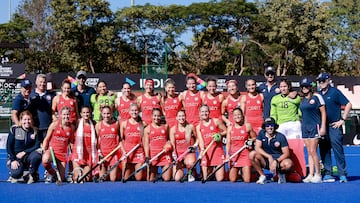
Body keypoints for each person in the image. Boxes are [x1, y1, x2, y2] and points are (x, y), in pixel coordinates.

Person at [316, 72, 352, 183]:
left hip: (334, 125)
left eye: (323, 80)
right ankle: (328, 173)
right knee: (324, 150)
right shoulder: (318, 94)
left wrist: (343, 120)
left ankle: (342, 174)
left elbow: (348, 104)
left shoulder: (335, 92)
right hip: (322, 126)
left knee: (338, 150)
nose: (321, 83)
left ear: (328, 80)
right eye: (319, 81)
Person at [270, 78, 306, 177]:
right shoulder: (275, 99)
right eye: (281, 87)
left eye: (285, 86)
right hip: (280, 126)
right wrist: (274, 125)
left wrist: (297, 93)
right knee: (280, 150)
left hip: (294, 125)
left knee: (296, 150)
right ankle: (279, 173)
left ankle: (300, 172)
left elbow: (301, 107)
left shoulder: (295, 97)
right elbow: (273, 114)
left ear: (289, 87)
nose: (283, 88)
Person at [249, 117, 293, 184]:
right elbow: (257, 148)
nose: (270, 127)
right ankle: (262, 175)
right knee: (252, 154)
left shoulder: (281, 136)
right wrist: (269, 157)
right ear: (265, 127)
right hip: (265, 160)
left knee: (288, 164)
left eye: (271, 125)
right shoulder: (261, 134)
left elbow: (286, 153)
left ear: (275, 126)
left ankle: (281, 174)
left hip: (278, 161)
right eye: (267, 126)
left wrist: (276, 161)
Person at [299, 77, 326, 183]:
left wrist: (323, 126)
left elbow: (323, 112)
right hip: (305, 127)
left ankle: (318, 174)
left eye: (306, 86)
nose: (304, 88)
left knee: (313, 151)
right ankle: (310, 174)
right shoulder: (302, 99)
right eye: (302, 86)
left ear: (310, 87)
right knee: (309, 151)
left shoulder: (317, 97)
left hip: (314, 126)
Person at [6, 111, 42, 184]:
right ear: (21, 120)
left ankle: (32, 173)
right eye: (25, 119)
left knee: (37, 156)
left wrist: (25, 152)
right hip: (17, 158)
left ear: (31, 120)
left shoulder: (35, 131)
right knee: (16, 174)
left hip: (28, 156)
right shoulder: (15, 130)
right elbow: (9, 146)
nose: (27, 121)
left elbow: (37, 145)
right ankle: (16, 171)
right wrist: (13, 160)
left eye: (29, 119)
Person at [42, 107, 75, 183]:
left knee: (62, 178)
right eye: (64, 114)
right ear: (60, 115)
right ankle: (51, 172)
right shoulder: (54, 125)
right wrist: (44, 149)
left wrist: (73, 154)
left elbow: (72, 142)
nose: (66, 116)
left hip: (62, 155)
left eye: (67, 114)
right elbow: (47, 138)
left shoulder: (71, 127)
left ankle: (56, 175)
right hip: (52, 152)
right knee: (45, 159)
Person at [196, 105, 227, 181]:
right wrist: (202, 150)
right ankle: (212, 170)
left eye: (206, 111)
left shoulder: (216, 121)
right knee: (206, 178)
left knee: (220, 179)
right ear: (199, 113)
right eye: (202, 112)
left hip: (217, 150)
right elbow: (200, 140)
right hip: (206, 151)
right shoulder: (198, 126)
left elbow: (226, 131)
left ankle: (219, 171)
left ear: (209, 112)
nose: (204, 113)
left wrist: (219, 134)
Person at [226, 108, 256, 182]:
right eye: (235, 115)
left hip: (245, 154)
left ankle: (253, 170)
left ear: (242, 115)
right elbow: (228, 142)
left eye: (239, 114)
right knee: (232, 180)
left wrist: (250, 140)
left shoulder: (247, 126)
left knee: (247, 180)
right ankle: (239, 172)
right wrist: (227, 154)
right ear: (232, 117)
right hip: (234, 155)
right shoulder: (230, 128)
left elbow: (255, 137)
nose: (237, 116)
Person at [143, 108, 172, 182]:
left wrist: (168, 144)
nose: (156, 118)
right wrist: (147, 156)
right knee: (150, 179)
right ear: (151, 116)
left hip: (164, 154)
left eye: (158, 116)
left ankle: (163, 173)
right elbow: (146, 144)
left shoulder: (165, 126)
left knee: (167, 179)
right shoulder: (147, 129)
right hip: (154, 155)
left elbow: (169, 139)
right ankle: (154, 173)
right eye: (155, 116)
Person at [71, 106, 97, 182]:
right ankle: (73, 174)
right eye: (84, 113)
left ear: (90, 113)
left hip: (88, 155)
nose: (86, 114)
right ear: (81, 114)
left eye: (87, 112)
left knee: (86, 179)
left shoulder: (94, 124)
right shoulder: (77, 122)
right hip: (77, 153)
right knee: (77, 177)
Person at [120, 103, 146, 181]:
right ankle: (130, 169)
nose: (134, 112)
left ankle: (143, 170)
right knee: (125, 178)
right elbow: (121, 140)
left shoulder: (143, 124)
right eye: (132, 110)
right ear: (129, 111)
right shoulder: (124, 124)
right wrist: (123, 152)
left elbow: (145, 140)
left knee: (139, 178)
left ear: (139, 111)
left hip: (139, 152)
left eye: (136, 110)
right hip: (128, 153)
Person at [169, 110, 197, 181]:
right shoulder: (173, 129)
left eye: (183, 116)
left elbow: (198, 138)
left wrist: (195, 145)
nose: (181, 118)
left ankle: (191, 171)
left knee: (190, 163)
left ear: (185, 116)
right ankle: (181, 168)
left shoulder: (191, 127)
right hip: (179, 155)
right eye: (179, 116)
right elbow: (172, 143)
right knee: (177, 178)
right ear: (176, 117)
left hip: (188, 153)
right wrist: (174, 154)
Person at [96, 106, 120, 182]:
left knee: (113, 179)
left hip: (113, 154)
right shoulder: (98, 125)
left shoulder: (116, 124)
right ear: (101, 114)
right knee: (103, 179)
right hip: (103, 155)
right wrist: (99, 153)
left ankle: (118, 171)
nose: (106, 116)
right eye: (104, 114)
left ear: (112, 114)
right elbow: (96, 141)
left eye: (108, 113)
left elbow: (120, 139)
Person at [29, 74, 55, 140]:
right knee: (35, 148)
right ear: (36, 82)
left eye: (44, 82)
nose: (42, 84)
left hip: (47, 128)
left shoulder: (51, 95)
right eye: (40, 82)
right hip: (34, 127)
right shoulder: (30, 94)